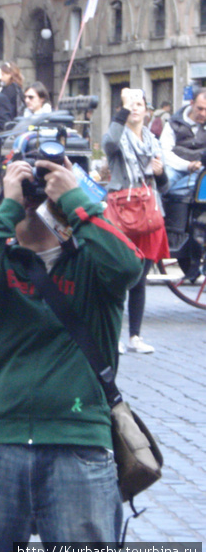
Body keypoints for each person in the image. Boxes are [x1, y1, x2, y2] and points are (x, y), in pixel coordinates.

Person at [0, 152, 144, 552]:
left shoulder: (93, 264)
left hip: (78, 445)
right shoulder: (0, 260)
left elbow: (130, 265)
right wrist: (6, 208)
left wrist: (77, 202)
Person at [103, 88, 170, 355]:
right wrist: (123, 110)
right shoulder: (118, 137)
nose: (135, 108)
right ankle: (114, 335)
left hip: (149, 214)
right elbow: (109, 143)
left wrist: (161, 173)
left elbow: (163, 187)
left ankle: (135, 337)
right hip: (123, 215)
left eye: (139, 104)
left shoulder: (153, 142)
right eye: (130, 104)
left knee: (140, 279)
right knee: (119, 278)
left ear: (147, 110)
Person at [160, 87, 206, 196]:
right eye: (200, 108)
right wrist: (188, 165)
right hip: (175, 168)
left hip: (201, 170)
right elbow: (164, 152)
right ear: (191, 103)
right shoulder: (172, 123)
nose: (203, 113)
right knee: (164, 184)